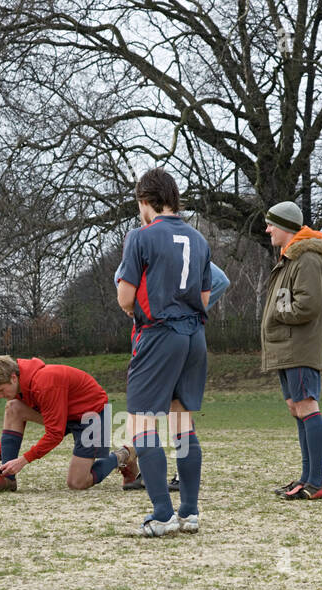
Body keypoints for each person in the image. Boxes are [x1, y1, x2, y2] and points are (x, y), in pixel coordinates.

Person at [115, 168, 212, 537]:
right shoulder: (200, 239)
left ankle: (161, 514)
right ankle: (189, 512)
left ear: (145, 201)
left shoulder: (140, 236)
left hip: (157, 334)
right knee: (182, 422)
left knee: (140, 422)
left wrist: (134, 307)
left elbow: (126, 297)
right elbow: (205, 299)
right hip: (194, 337)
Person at [116, 261, 230, 493]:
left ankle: (161, 486)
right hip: (171, 336)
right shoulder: (177, 244)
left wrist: (186, 311)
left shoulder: (152, 245)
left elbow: (220, 281)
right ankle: (165, 480)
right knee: (172, 410)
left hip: (155, 338)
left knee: (152, 412)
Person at [0, 355, 138, 492]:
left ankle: (124, 454)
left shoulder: (44, 383)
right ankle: (7, 478)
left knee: (77, 483)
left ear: (13, 377)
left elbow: (55, 434)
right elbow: (13, 425)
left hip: (92, 415)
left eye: (1, 390)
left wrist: (23, 460)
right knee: (13, 407)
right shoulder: (20, 385)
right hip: (66, 414)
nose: (1, 395)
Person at [261, 200, 322, 501]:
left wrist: (278, 313)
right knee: (297, 409)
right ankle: (306, 478)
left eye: (271, 224)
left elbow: (308, 305)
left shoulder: (307, 260)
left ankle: (316, 481)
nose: (267, 230)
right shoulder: (289, 258)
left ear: (286, 227)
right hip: (285, 348)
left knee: (307, 407)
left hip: (298, 348)